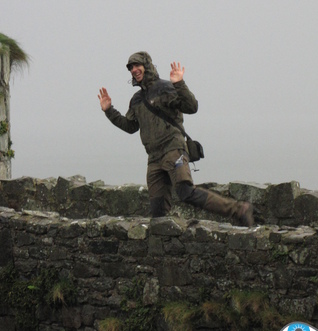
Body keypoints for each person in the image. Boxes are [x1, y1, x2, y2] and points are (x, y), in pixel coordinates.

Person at [98, 51, 254, 226]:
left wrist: (179, 84)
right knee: (157, 212)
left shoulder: (164, 87)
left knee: (186, 192)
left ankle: (238, 210)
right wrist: (109, 110)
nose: (134, 70)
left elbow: (191, 106)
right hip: (154, 158)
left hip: (173, 150)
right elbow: (130, 127)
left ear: (147, 65)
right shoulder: (136, 100)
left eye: (137, 65)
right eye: (130, 67)